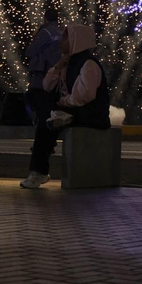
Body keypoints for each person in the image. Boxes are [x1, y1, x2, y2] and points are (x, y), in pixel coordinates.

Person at [19, 24, 110, 189]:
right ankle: (54, 116)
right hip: (68, 110)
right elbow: (47, 86)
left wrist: (62, 103)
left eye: (65, 38)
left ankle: (39, 172)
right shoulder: (67, 62)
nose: (60, 41)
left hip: (88, 113)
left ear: (77, 40)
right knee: (35, 94)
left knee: (46, 124)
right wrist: (58, 66)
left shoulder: (88, 64)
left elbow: (84, 97)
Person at [21, 9, 65, 124]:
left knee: (36, 98)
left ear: (45, 18)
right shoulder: (60, 32)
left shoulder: (46, 32)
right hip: (55, 72)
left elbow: (31, 51)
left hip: (42, 72)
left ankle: (40, 123)